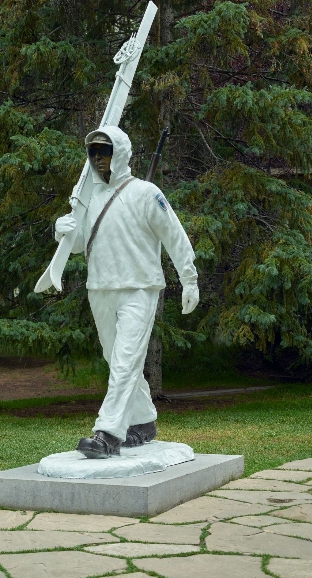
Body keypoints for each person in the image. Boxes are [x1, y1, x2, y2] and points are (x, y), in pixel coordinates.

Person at [54, 125, 199, 458]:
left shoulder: (146, 193)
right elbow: (78, 244)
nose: (98, 158)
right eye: (93, 152)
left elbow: (175, 237)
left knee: (124, 363)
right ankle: (144, 420)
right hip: (100, 289)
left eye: (104, 151)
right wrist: (62, 230)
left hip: (139, 288)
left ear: (119, 153)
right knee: (115, 360)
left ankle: (107, 433)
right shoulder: (88, 199)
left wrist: (189, 279)